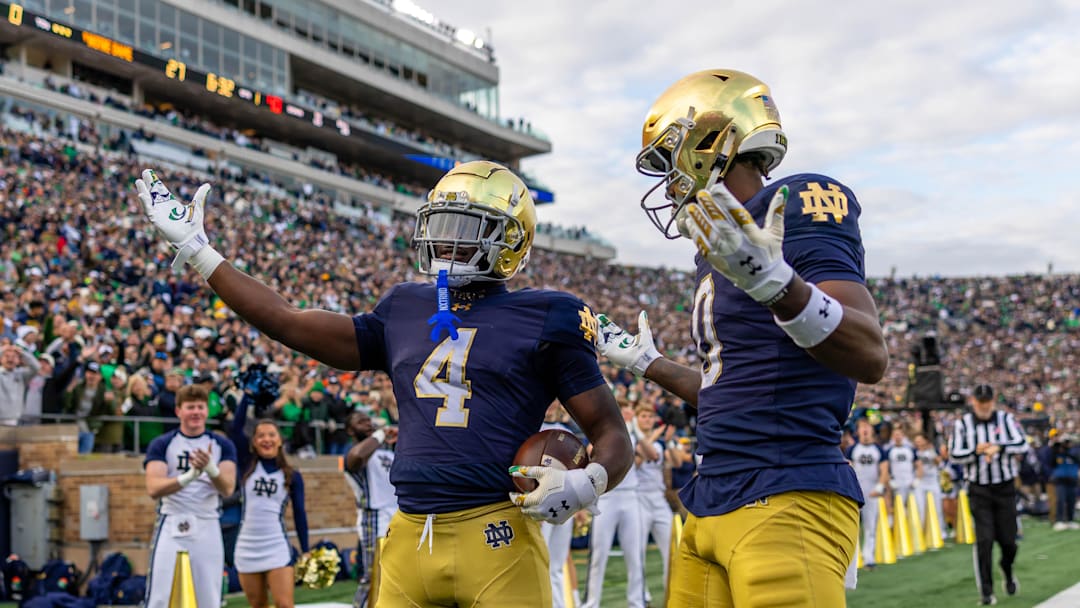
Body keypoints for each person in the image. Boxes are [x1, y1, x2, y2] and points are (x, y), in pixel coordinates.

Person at [134, 161, 634, 608]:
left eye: (466, 229)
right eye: (440, 225)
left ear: (510, 242)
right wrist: (200, 254)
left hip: (497, 533)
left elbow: (611, 432)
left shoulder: (550, 314)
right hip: (407, 535)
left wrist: (589, 482)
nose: (445, 241)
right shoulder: (405, 305)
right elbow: (288, 321)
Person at [596, 68, 888, 607]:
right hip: (710, 501)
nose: (668, 181)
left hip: (785, 495)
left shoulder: (796, 205)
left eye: (670, 159)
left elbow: (870, 354)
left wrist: (777, 284)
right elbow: (730, 393)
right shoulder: (718, 247)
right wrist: (648, 362)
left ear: (712, 141)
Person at [143, 384, 237, 608]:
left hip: (207, 521)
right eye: (190, 407)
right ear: (178, 411)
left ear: (207, 410)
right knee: (159, 595)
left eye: (200, 407)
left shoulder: (221, 444)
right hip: (172, 519)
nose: (196, 412)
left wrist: (211, 470)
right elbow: (153, 488)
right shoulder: (163, 444)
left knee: (209, 594)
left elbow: (228, 488)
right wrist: (190, 476)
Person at [229, 391, 310, 608]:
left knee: (284, 604)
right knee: (258, 605)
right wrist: (246, 397)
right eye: (261, 436)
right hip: (247, 545)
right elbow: (235, 430)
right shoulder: (247, 465)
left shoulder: (292, 475)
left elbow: (300, 513)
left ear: (280, 440)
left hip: (276, 545)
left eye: (271, 434)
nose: (266, 439)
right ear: (254, 442)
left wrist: (305, 549)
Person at [949, 384, 1028, 605]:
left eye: (988, 401)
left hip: (1004, 488)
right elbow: (954, 454)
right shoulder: (962, 424)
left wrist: (1000, 447)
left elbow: (1022, 444)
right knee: (984, 540)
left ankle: (1007, 568)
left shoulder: (1006, 419)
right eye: (980, 401)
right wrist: (977, 451)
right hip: (979, 489)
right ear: (974, 401)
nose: (984, 406)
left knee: (1009, 541)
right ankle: (986, 591)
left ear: (993, 401)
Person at [344, 410, 398, 607]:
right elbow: (358, 456)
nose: (367, 423)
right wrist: (381, 434)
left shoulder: (386, 451)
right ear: (350, 430)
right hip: (374, 519)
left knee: (399, 575)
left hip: (398, 516)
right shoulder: (353, 453)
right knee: (372, 575)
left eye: (368, 420)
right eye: (360, 421)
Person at [845, 418, 889, 570]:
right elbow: (847, 469)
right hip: (855, 491)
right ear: (857, 431)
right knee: (853, 525)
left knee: (871, 526)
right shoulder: (852, 450)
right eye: (861, 427)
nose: (864, 430)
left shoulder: (879, 450)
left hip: (871, 491)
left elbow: (884, 470)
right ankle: (852, 560)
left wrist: (880, 487)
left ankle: (869, 557)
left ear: (872, 430)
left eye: (867, 427)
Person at [1048, 433, 1078, 531]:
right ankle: (1059, 520)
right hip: (1060, 480)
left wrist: (1066, 450)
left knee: (1071, 501)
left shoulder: (1075, 451)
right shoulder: (1057, 451)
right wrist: (1057, 447)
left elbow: (1076, 458)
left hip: (1072, 479)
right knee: (1060, 500)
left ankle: (1070, 520)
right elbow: (1052, 462)